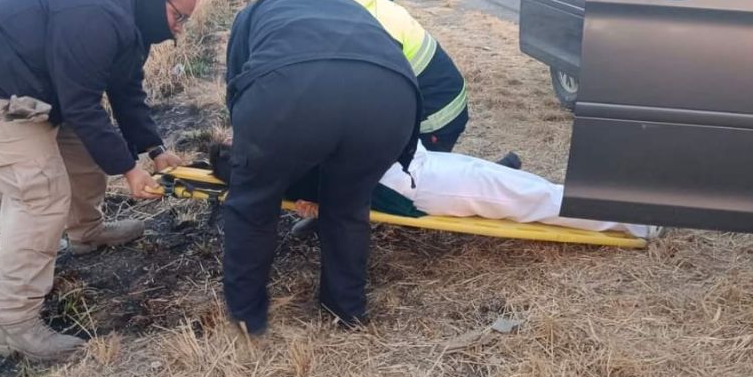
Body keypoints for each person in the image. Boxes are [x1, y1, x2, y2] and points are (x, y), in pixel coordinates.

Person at [0, 0, 201, 360]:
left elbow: (125, 91)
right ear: (157, 1)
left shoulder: (130, 19)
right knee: (39, 193)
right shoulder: (99, 17)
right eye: (179, 16)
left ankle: (86, 232)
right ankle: (12, 324)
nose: (179, 28)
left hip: (37, 89)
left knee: (83, 154)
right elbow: (82, 106)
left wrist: (154, 149)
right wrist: (130, 171)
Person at [220, 0, 421, 334]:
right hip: (392, 96)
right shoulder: (347, 3)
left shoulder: (254, 11)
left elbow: (239, 85)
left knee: (254, 203)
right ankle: (346, 311)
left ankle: (246, 317)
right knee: (348, 206)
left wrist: (251, 162)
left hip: (290, 89)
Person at [211, 141, 660, 240]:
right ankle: (636, 220)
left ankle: (630, 207)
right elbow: (347, 192)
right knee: (529, 199)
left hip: (418, 165)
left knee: (525, 190)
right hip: (421, 184)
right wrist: (320, 204)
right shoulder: (289, 166)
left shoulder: (289, 158)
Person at [272, 0, 468, 152]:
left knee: (400, 178)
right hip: (410, 95)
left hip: (436, 114)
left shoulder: (364, 29)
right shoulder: (343, 0)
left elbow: (362, 99)